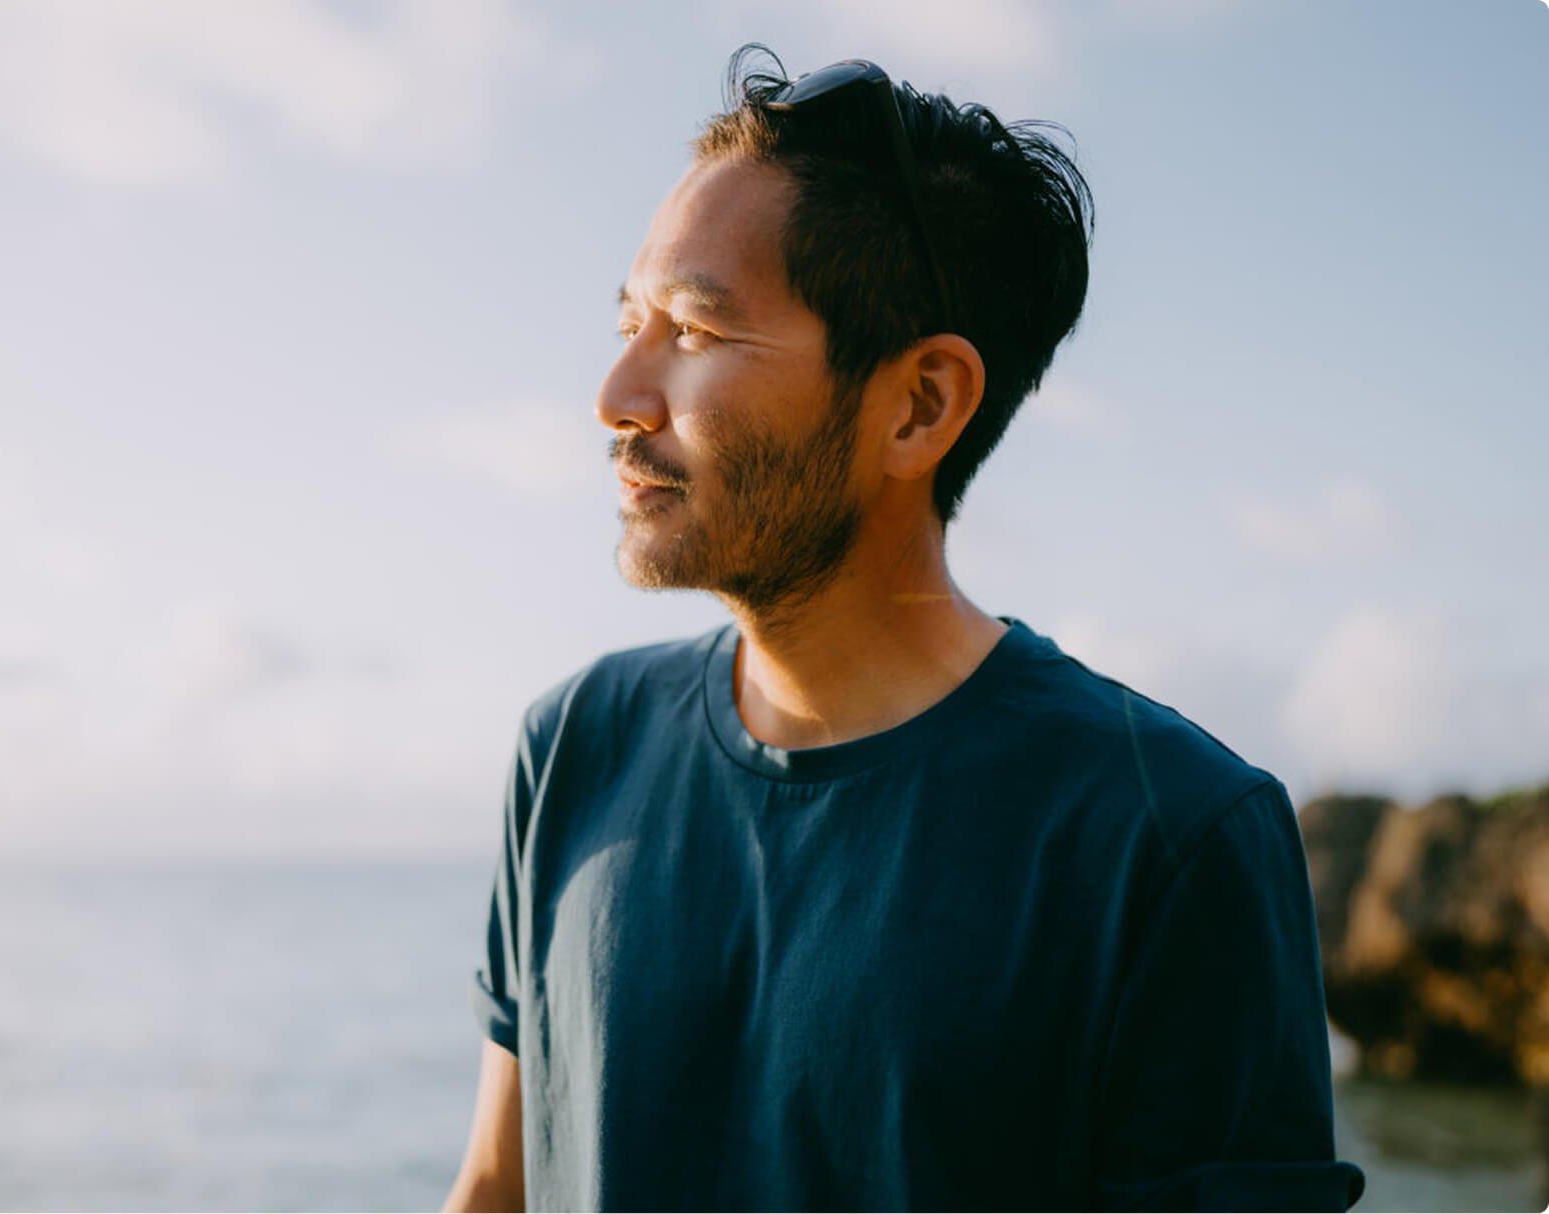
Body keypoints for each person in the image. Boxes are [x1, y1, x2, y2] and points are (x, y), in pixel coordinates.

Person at [442, 44, 1364, 1213]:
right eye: (631, 320)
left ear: (920, 404)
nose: (617, 393)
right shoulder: (575, 744)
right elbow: (492, 1187)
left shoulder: (1167, 836)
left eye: (696, 331)